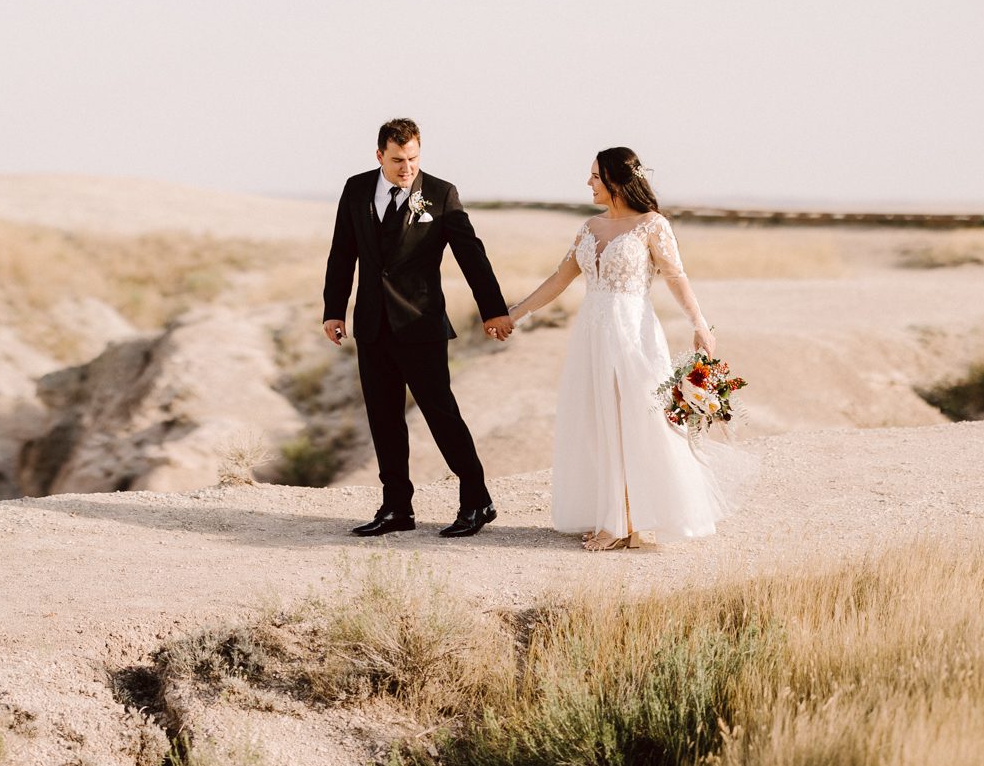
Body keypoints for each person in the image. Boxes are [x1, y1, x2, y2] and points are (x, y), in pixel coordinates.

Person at [506, 147, 755, 549]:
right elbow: (558, 279)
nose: (588, 183)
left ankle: (627, 525)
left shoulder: (652, 225)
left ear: (615, 182)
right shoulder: (589, 228)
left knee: (638, 420)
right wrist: (513, 315)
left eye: (594, 177)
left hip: (633, 332)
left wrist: (699, 323)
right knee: (599, 422)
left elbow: (676, 277)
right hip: (592, 334)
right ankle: (618, 518)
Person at [322, 118, 514, 538]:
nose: (406, 168)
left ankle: (476, 500)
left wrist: (494, 310)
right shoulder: (356, 190)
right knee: (383, 418)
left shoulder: (441, 194)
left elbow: (471, 256)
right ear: (379, 156)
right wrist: (333, 310)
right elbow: (342, 253)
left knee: (441, 414)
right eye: (397, 160)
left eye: (412, 159)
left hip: (421, 324)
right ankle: (396, 508)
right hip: (372, 325)